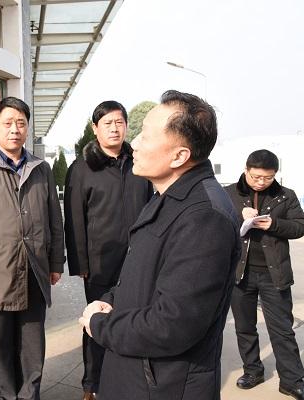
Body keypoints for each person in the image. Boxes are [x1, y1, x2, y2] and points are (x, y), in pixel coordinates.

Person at [78, 90, 241, 400]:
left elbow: (172, 324)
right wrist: (110, 300)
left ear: (179, 156)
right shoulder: (167, 196)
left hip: (162, 385)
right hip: (136, 374)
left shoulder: (204, 217)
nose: (135, 143)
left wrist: (101, 325)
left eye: (146, 136)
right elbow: (143, 276)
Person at [0, 96, 65, 400]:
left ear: (27, 128)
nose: (14, 130)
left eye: (21, 123)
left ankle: (29, 396)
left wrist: (56, 263)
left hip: (35, 272)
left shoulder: (41, 169)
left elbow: (54, 220)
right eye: (7, 123)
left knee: (32, 348)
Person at [64, 100, 152, 400]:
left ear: (126, 125)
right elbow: (74, 219)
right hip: (100, 263)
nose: (114, 128)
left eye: (119, 122)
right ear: (95, 128)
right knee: (97, 321)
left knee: (136, 319)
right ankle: (92, 384)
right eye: (107, 123)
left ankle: (130, 381)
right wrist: (81, 264)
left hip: (138, 259)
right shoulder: (82, 168)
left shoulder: (139, 162)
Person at [225, 149, 304, 399]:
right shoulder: (229, 193)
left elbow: (300, 226)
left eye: (268, 178)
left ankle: (292, 380)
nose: (261, 182)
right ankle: (253, 371)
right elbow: (214, 223)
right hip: (240, 274)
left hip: (274, 274)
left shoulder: (285, 195)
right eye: (256, 177)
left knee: (282, 329)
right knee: (245, 327)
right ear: (246, 170)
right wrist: (238, 216)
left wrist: (274, 224)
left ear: (275, 174)